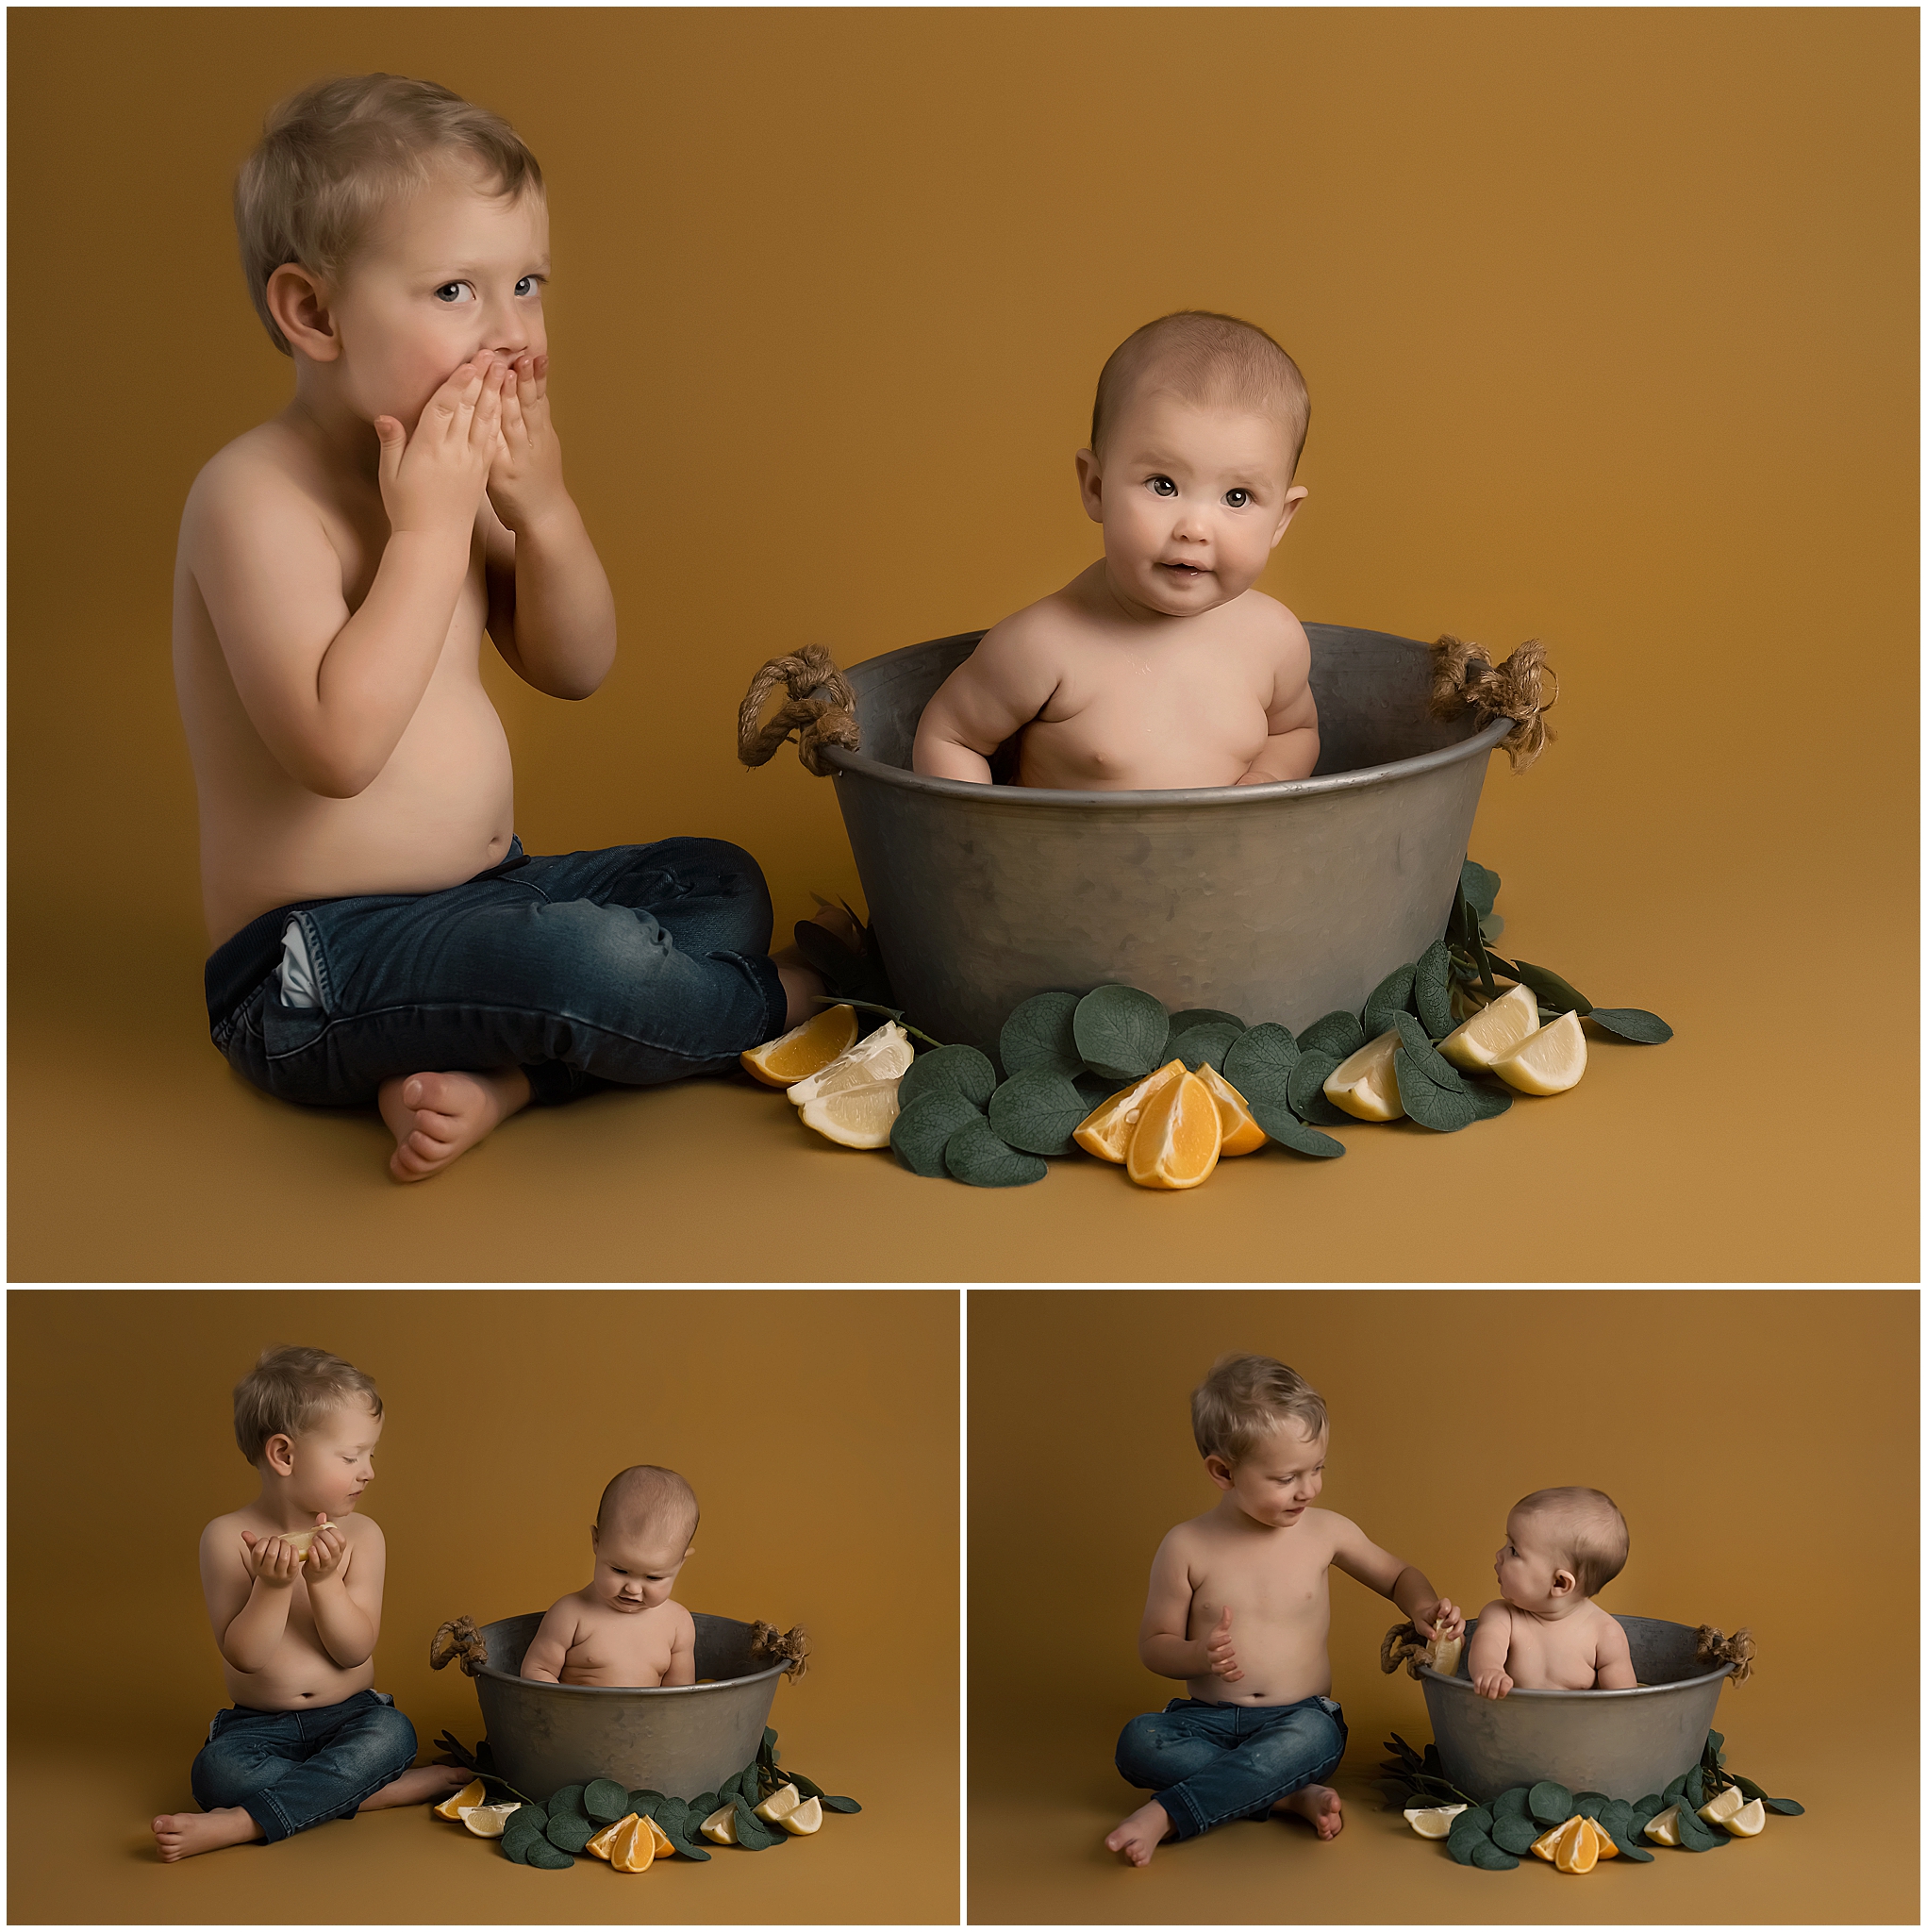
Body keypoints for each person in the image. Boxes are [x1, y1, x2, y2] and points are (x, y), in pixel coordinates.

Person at [176, 74, 831, 1182]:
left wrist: (544, 510)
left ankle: (509, 1073)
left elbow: (574, 665)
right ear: (315, 313)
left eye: (526, 283)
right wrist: (428, 531)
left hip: (486, 900)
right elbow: (335, 751)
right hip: (311, 969)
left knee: (712, 877)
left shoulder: (456, 476)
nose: (510, 333)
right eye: (453, 291)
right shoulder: (255, 500)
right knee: (584, 958)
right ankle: (774, 1004)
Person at [913, 311, 1319, 791]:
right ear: (1097, 487)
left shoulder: (1274, 640)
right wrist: (985, 845)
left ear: (1281, 520)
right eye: (1163, 485)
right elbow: (950, 737)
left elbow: (1293, 730)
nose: (1194, 529)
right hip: (1067, 864)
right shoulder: (1042, 646)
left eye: (1237, 497)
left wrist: (1267, 778)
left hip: (1223, 865)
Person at [1105, 1352, 1462, 1866]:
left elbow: (1398, 1575)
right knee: (1138, 1741)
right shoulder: (1185, 1546)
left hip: (1300, 1719)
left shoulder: (1326, 1531)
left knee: (1313, 1737)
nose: (1309, 1489)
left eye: (1317, 1469)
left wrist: (1424, 1605)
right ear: (1223, 1471)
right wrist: (1198, 1657)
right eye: (1285, 1478)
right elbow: (1153, 1646)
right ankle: (1288, 1794)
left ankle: (1168, 1814)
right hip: (1204, 1720)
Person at [152, 1345, 466, 1860]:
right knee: (216, 1773)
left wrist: (324, 1584)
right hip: (257, 1726)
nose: (368, 1472)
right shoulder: (228, 1538)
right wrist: (271, 1588)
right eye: (350, 1457)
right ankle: (374, 1792)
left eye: (371, 1456)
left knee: (394, 1733)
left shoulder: (362, 1536)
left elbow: (353, 1650)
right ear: (284, 1455)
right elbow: (246, 1657)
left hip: (352, 1716)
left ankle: (245, 1823)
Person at [521, 1465, 699, 1687]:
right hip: (574, 1718)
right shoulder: (570, 1614)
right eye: (619, 1570)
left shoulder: (678, 1623)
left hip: (650, 1722)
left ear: (680, 1562)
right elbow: (537, 1671)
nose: (633, 1588)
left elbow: (681, 1696)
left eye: (653, 1578)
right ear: (597, 1541)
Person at [1467, 1487, 1636, 1697]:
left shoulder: (1606, 1634)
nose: (1499, 1555)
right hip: (1509, 1725)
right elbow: (1487, 1649)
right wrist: (1490, 1671)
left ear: (1559, 1583)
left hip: (1581, 1729)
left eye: (1514, 1551)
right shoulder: (1502, 1615)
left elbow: (1625, 1703)